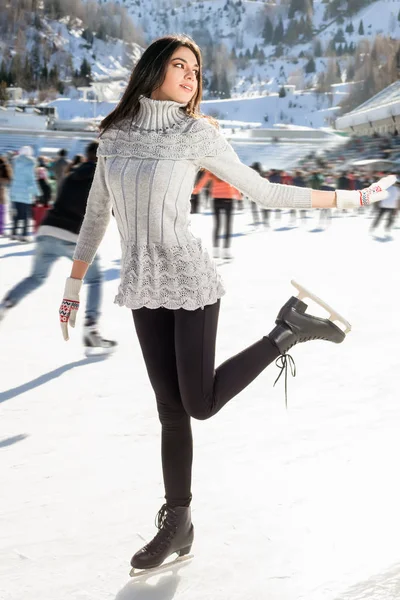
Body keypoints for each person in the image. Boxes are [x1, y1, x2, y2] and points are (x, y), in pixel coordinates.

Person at [57, 35, 395, 575]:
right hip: (144, 286)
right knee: (171, 411)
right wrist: (73, 286)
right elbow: (97, 213)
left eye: (196, 68)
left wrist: (351, 197)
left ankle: (287, 331)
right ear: (152, 70)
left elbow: (263, 191)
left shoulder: (196, 135)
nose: (191, 76)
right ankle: (179, 522)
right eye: (179, 65)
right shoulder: (114, 137)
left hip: (189, 282)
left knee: (199, 404)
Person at [0, 141, 116, 356]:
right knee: (94, 279)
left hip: (48, 229)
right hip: (74, 236)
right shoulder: (104, 178)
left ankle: (6, 304)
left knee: (36, 277)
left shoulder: (72, 174)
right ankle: (91, 327)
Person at [193, 170, 241, 259]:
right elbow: (234, 184)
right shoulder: (230, 170)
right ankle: (226, 251)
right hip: (228, 200)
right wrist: (238, 196)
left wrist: (195, 191)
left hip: (216, 200)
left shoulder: (212, 170)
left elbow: (203, 181)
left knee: (217, 225)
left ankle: (216, 251)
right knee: (227, 226)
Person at [0, 155, 13, 236]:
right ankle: (1, 229)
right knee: (2, 212)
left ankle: (1, 229)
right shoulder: (5, 167)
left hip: (2, 192)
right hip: (2, 192)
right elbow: (9, 180)